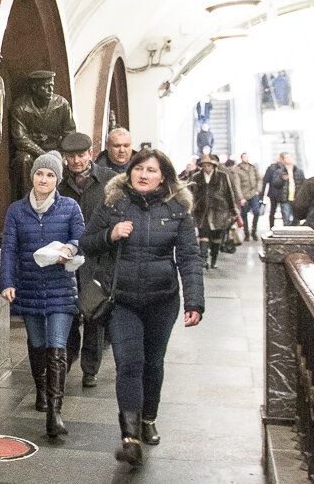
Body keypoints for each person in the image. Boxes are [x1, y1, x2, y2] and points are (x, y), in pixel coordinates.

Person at [79, 149, 204, 467]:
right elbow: (87, 242)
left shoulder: (178, 208)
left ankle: (149, 418)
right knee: (130, 365)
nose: (144, 174)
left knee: (153, 364)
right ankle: (130, 438)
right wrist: (111, 234)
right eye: (139, 168)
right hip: (122, 300)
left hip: (162, 300)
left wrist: (194, 301)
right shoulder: (113, 202)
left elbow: (189, 257)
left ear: (163, 176)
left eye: (151, 170)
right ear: (130, 172)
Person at [0, 151, 85, 438]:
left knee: (57, 345)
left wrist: (70, 249)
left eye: (50, 175)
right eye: (39, 174)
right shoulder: (16, 210)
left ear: (57, 179)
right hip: (30, 286)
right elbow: (9, 249)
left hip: (61, 286)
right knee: (37, 344)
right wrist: (7, 283)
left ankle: (55, 412)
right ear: (32, 176)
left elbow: (81, 239)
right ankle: (41, 389)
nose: (44, 179)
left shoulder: (70, 207)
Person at [59, 132, 116, 388]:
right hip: (68, 259)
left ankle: (90, 368)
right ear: (64, 158)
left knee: (94, 313)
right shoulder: (59, 183)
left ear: (90, 154)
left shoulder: (109, 180)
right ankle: (70, 356)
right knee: (71, 311)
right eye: (71, 156)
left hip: (98, 257)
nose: (77, 161)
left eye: (81, 155)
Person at [9, 71, 76, 192]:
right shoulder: (21, 107)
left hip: (55, 150)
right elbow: (20, 138)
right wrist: (43, 155)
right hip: (31, 152)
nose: (50, 89)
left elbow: (70, 133)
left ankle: (58, 201)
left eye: (52, 85)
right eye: (46, 86)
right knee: (23, 160)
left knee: (65, 163)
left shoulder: (62, 104)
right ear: (34, 88)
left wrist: (61, 154)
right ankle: (28, 200)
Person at [190, 154, 238, 269]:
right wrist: (191, 208)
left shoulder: (222, 176)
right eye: (204, 165)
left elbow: (229, 193)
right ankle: (203, 259)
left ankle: (214, 258)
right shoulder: (196, 177)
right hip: (202, 210)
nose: (207, 168)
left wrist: (232, 210)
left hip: (219, 210)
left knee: (216, 236)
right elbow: (191, 193)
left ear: (214, 166)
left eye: (209, 165)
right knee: (203, 234)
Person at [264, 152, 306, 228]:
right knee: (286, 219)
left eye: (289, 157)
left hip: (296, 198)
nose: (288, 159)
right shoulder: (279, 172)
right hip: (285, 198)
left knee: (296, 219)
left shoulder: (298, 171)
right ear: (283, 160)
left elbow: (303, 184)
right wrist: (282, 179)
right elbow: (275, 183)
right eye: (286, 157)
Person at [233, 152, 262, 240]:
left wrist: (258, 190)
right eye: (244, 157)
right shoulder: (237, 169)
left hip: (254, 193)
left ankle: (254, 230)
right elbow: (237, 184)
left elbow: (259, 179)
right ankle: (246, 233)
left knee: (256, 212)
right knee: (244, 214)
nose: (246, 158)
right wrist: (241, 197)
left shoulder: (253, 167)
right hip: (244, 195)